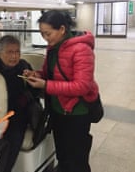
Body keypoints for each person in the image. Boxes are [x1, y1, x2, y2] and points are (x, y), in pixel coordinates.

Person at [23, 10, 99, 172]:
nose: (45, 38)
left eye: (48, 33)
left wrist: (45, 85)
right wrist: (36, 75)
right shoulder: (53, 48)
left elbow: (82, 86)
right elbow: (49, 74)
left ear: (62, 29)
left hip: (77, 112)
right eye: (42, 34)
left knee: (77, 159)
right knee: (63, 154)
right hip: (57, 109)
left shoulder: (81, 49)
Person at [0, 35, 40, 172]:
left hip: (18, 113)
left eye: (17, 52)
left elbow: (36, 92)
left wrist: (31, 82)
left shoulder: (24, 65)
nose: (14, 56)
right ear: (0, 53)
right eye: (10, 52)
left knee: (12, 135)